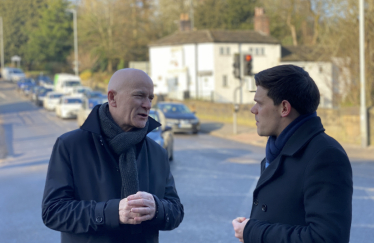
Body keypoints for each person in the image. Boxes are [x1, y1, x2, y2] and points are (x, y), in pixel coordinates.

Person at [42, 68, 184, 243]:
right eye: (139, 96)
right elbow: (53, 212)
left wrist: (157, 209)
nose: (147, 105)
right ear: (112, 98)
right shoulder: (71, 146)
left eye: (150, 98)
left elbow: (176, 211)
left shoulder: (157, 152)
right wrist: (111, 212)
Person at [232, 65, 353, 243]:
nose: (253, 110)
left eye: (259, 103)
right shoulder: (278, 150)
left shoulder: (326, 156)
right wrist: (251, 226)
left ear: (284, 108)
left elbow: (326, 238)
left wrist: (253, 231)